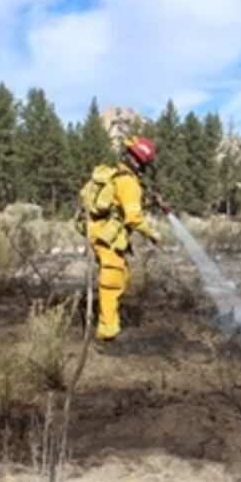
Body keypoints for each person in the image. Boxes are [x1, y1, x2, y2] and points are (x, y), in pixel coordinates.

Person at [85, 135, 164, 346]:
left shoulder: (120, 177)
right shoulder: (128, 182)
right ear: (139, 161)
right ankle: (108, 332)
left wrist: (149, 203)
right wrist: (153, 234)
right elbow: (133, 218)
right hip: (107, 237)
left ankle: (109, 321)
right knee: (111, 281)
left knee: (119, 275)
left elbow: (124, 205)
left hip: (102, 232)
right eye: (146, 165)